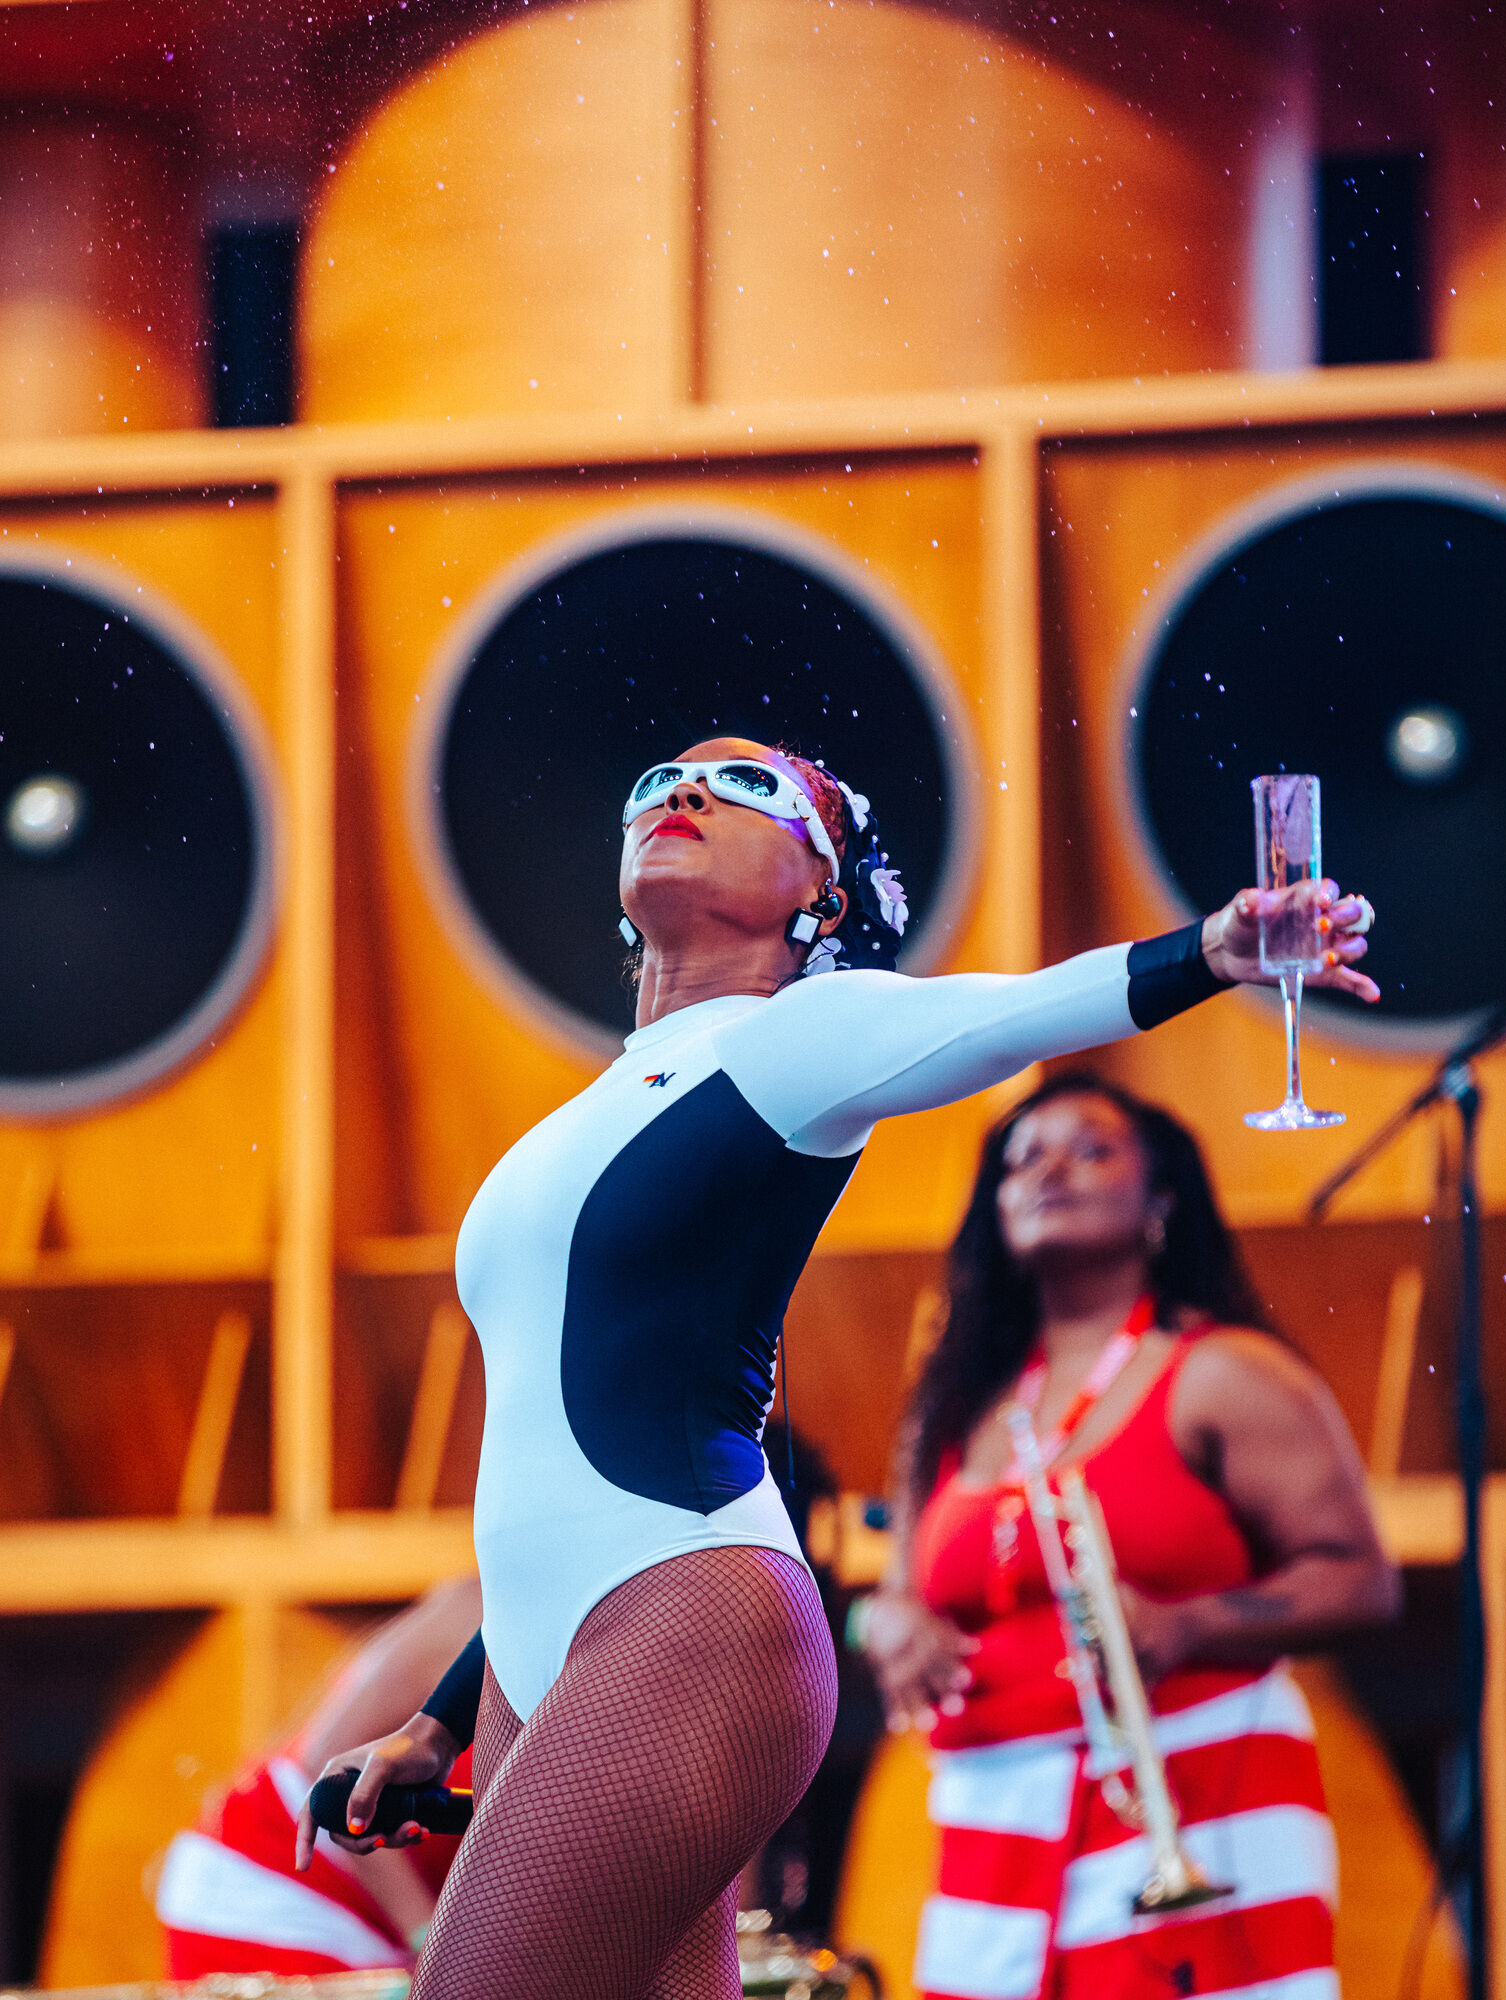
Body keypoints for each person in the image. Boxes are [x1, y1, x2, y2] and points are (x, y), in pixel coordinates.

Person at [293, 737, 1378, 2000]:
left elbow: (1015, 1010)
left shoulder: (794, 1038)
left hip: (687, 1615)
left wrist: (1214, 950)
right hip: (547, 1648)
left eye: (747, 786)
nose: (683, 793)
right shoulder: (589, 1107)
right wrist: (441, 1712)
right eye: (657, 781)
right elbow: (550, 1467)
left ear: (823, 888)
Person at [859, 1074, 1400, 2000]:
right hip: (992, 1834)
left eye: (1091, 1150)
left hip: (1199, 1799)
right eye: (1023, 1160)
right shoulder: (953, 1406)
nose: (1050, 1171)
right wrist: (882, 1622)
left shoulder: (1224, 1372)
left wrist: (1187, 1626)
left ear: (1161, 1199)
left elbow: (1361, 1581)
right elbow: (892, 1595)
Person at [158, 1576, 481, 1975]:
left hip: (359, 1902)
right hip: (276, 1883)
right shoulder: (477, 1609)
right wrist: (427, 1936)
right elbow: (335, 1769)